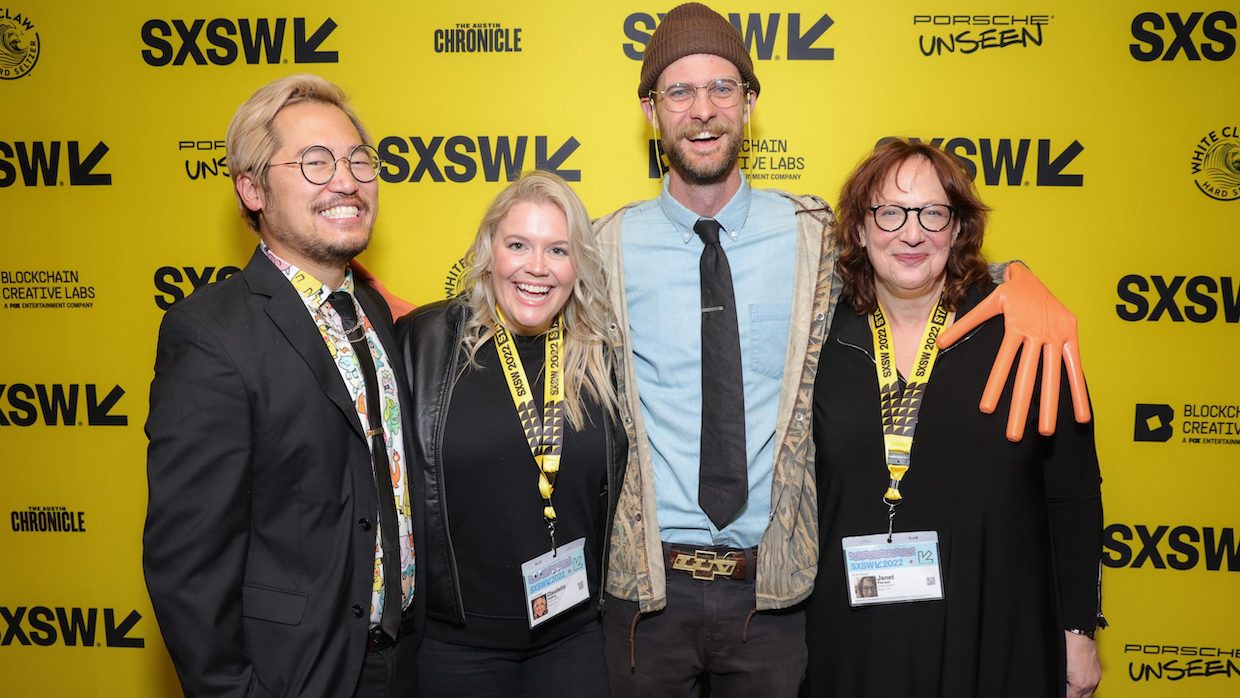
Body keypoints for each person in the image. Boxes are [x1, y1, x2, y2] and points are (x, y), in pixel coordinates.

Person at [592, 3, 1092, 695]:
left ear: (749, 104)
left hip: (775, 598)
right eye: (679, 91)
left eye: (721, 89)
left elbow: (912, 253)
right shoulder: (602, 248)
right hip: (647, 597)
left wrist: (1020, 279)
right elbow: (520, 284)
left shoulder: (815, 236)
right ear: (651, 111)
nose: (701, 110)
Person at [143, 74, 421, 698]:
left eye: (358, 161)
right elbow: (187, 563)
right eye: (315, 163)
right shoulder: (212, 334)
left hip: (400, 667)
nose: (346, 181)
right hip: (295, 676)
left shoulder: (374, 315)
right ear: (251, 188)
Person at [803, 139, 1104, 698]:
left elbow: (1073, 491)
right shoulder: (821, 337)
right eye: (889, 213)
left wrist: (1079, 631)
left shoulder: (1025, 330)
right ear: (860, 230)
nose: (911, 233)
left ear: (957, 228)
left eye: (932, 213)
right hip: (856, 634)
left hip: (993, 630)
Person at [395, 171, 624, 697]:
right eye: (518, 244)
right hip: (457, 649)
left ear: (578, 264)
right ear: (489, 250)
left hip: (572, 639)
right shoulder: (426, 344)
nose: (536, 268)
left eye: (558, 250)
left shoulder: (598, 355)